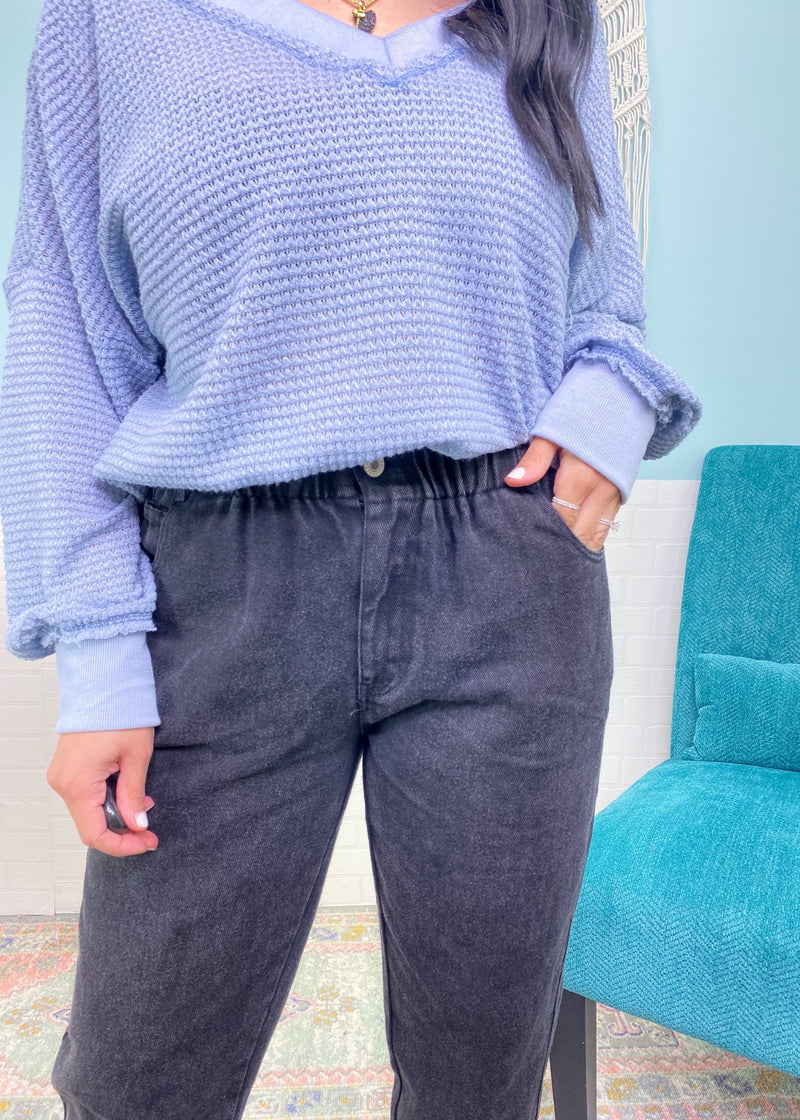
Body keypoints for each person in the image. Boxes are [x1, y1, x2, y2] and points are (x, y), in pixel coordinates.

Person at [0, 0, 701, 1114]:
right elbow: (63, 326)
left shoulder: (545, 14)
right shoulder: (107, 20)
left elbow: (605, 303)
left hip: (503, 567)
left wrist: (608, 415)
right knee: (139, 1082)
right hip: (218, 584)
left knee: (479, 1081)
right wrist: (95, 647)